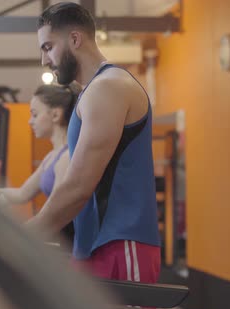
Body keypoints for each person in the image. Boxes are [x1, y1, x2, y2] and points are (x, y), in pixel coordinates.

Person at [27, 2, 161, 283]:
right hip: (91, 246)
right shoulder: (91, 92)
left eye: (48, 47)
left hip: (120, 244)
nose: (44, 60)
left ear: (75, 39)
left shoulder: (108, 88)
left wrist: (23, 238)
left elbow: (78, 186)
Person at [0, 83, 81, 248]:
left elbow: (55, 214)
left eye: (35, 115)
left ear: (56, 115)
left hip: (69, 246)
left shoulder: (66, 158)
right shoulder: (51, 157)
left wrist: (15, 236)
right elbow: (21, 194)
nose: (30, 122)